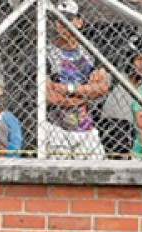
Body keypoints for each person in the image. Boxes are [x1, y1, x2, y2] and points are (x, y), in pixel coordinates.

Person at [45, 0, 109, 159]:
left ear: (79, 22)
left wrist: (68, 90)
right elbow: (49, 97)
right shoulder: (45, 53)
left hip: (86, 126)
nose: (62, 24)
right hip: (56, 128)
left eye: (68, 19)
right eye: (58, 20)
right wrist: (86, 94)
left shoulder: (91, 51)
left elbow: (102, 88)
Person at [99, 35, 142, 158]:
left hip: (140, 140)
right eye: (139, 59)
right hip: (114, 136)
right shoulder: (115, 78)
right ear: (130, 60)